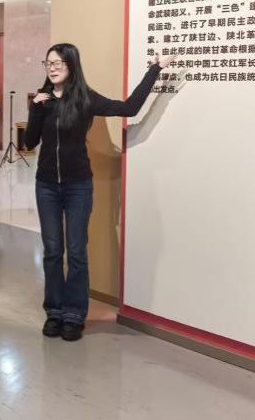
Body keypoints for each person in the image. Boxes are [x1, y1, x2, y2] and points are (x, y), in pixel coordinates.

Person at [24, 43, 173, 342]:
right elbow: (29, 143)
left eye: (59, 63)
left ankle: (74, 315)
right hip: (47, 186)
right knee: (52, 251)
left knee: (77, 251)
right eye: (48, 63)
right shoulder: (43, 100)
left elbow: (129, 108)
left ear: (71, 65)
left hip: (78, 186)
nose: (52, 68)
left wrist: (155, 69)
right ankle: (54, 311)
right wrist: (36, 110)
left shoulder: (85, 99)